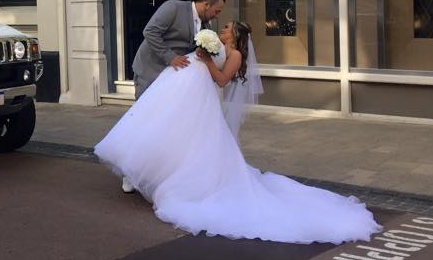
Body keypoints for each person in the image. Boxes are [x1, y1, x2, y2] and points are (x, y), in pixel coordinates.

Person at [95, 21, 380, 245]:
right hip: (180, 90)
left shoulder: (234, 54)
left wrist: (205, 59)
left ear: (236, 35)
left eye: (228, 27)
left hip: (200, 96)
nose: (223, 28)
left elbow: (221, 80)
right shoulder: (215, 42)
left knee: (197, 142)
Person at [132, 0, 226, 101]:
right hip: (150, 70)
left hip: (172, 77)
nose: (217, 16)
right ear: (207, 5)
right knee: (144, 110)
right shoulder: (173, 7)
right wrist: (171, 57)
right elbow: (150, 32)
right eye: (217, 11)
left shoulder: (206, 26)